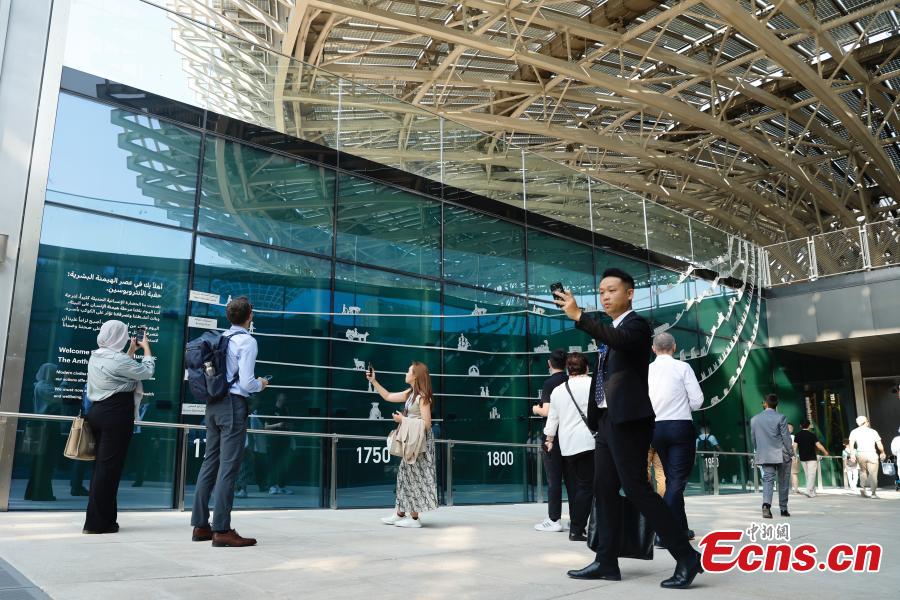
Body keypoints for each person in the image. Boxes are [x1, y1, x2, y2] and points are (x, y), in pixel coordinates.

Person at [554, 268, 702, 589]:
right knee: (603, 490)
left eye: (612, 290)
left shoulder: (636, 326)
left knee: (637, 490)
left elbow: (618, 341)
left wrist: (579, 315)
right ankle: (606, 561)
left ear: (630, 293)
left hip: (629, 422)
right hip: (607, 422)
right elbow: (608, 349)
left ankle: (686, 556)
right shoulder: (610, 330)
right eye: (601, 292)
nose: (605, 296)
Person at [191, 296, 268, 547]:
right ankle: (222, 529)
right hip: (233, 405)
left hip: (213, 404)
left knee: (209, 463)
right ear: (250, 316)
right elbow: (246, 382)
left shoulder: (221, 338)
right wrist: (261, 384)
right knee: (228, 468)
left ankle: (201, 525)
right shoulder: (247, 341)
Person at [83, 321, 154, 534]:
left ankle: (105, 520)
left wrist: (131, 351)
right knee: (108, 470)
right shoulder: (118, 360)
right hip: (116, 414)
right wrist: (146, 348)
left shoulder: (96, 355)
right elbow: (146, 372)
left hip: (98, 412)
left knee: (102, 469)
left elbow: (121, 371)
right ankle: (96, 523)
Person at [647, 331, 703, 543]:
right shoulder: (683, 367)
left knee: (672, 480)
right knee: (677, 481)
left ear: (653, 349)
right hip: (680, 426)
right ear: (674, 347)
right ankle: (665, 532)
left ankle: (681, 529)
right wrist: (682, 406)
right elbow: (697, 400)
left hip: (655, 428)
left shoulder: (646, 370)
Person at [368, 362, 438, 528]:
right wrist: (373, 381)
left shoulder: (422, 397)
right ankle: (400, 513)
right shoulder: (410, 394)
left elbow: (427, 424)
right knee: (404, 477)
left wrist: (403, 420)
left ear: (415, 376)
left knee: (414, 479)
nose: (406, 373)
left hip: (420, 445)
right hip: (413, 443)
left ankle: (414, 519)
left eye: (408, 371)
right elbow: (388, 396)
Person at [543, 353, 595, 542]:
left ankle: (578, 526)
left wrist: (549, 440)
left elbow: (552, 419)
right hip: (590, 442)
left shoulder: (559, 390)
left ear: (568, 369)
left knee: (579, 486)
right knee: (588, 487)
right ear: (586, 368)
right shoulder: (593, 385)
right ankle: (577, 528)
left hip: (567, 446)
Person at [531, 348, 573, 533]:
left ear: (549, 363)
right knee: (573, 481)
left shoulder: (550, 383)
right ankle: (576, 519)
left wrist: (535, 409)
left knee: (554, 479)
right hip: (570, 436)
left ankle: (554, 519)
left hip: (553, 437)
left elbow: (547, 411)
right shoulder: (570, 380)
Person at [749, 394, 793, 519]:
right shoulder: (781, 417)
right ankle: (783, 509)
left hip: (766, 454)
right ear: (776, 404)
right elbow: (786, 437)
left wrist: (759, 450)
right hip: (782, 454)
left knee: (768, 480)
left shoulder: (754, 419)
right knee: (783, 481)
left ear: (765, 404)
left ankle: (766, 506)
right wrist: (791, 452)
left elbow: (753, 439)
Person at [24, 364, 60, 502]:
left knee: (43, 462)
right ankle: (41, 493)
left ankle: (34, 492)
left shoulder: (45, 385)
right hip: (46, 427)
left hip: (46, 427)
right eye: (54, 372)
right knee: (44, 462)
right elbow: (59, 397)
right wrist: (66, 382)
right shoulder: (43, 387)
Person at [849, 415, 887, 498]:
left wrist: (852, 454)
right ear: (865, 422)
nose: (868, 422)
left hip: (860, 454)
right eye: (867, 421)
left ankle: (863, 487)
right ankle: (873, 493)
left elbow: (851, 444)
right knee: (873, 474)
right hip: (871, 453)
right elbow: (879, 444)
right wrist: (882, 452)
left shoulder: (854, 432)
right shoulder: (873, 432)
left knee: (862, 471)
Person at [267, 393, 295, 496]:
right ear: (278, 397)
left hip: (285, 440)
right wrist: (278, 425)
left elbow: (291, 425)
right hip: (274, 440)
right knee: (273, 463)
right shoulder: (271, 410)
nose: (285, 398)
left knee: (283, 464)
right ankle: (272, 486)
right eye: (283, 396)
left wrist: (289, 426)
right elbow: (266, 427)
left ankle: (282, 486)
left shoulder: (286, 410)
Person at [793, 419, 827, 497]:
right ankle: (808, 491)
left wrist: (795, 456)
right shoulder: (812, 435)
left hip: (802, 457)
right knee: (811, 475)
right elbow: (818, 445)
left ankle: (812, 491)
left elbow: (794, 447)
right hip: (812, 457)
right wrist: (825, 452)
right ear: (809, 426)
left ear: (800, 426)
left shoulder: (797, 435)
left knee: (808, 475)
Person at [695, 425, 721, 494]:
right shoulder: (712, 437)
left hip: (702, 458)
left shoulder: (698, 439)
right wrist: (722, 453)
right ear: (708, 430)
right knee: (713, 471)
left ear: (701, 431)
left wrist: (695, 459)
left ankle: (707, 485)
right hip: (711, 457)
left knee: (704, 472)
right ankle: (712, 486)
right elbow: (717, 447)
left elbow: (696, 450)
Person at [788, 423, 800, 493]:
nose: (791, 429)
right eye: (790, 428)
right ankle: (795, 489)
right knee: (794, 474)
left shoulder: (780, 437)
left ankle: (790, 489)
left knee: (785, 474)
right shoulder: (792, 437)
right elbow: (794, 447)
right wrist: (795, 456)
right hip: (792, 457)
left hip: (783, 457)